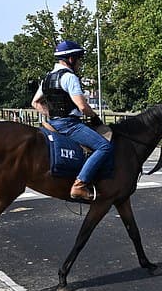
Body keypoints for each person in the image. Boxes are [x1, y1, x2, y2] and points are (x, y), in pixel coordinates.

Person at [31, 40, 113, 202]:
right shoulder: (70, 78)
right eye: (79, 59)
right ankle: (80, 185)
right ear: (70, 59)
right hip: (70, 125)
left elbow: (35, 103)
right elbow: (82, 106)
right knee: (104, 146)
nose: (80, 63)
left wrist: (52, 115)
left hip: (52, 123)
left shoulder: (47, 78)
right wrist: (95, 117)